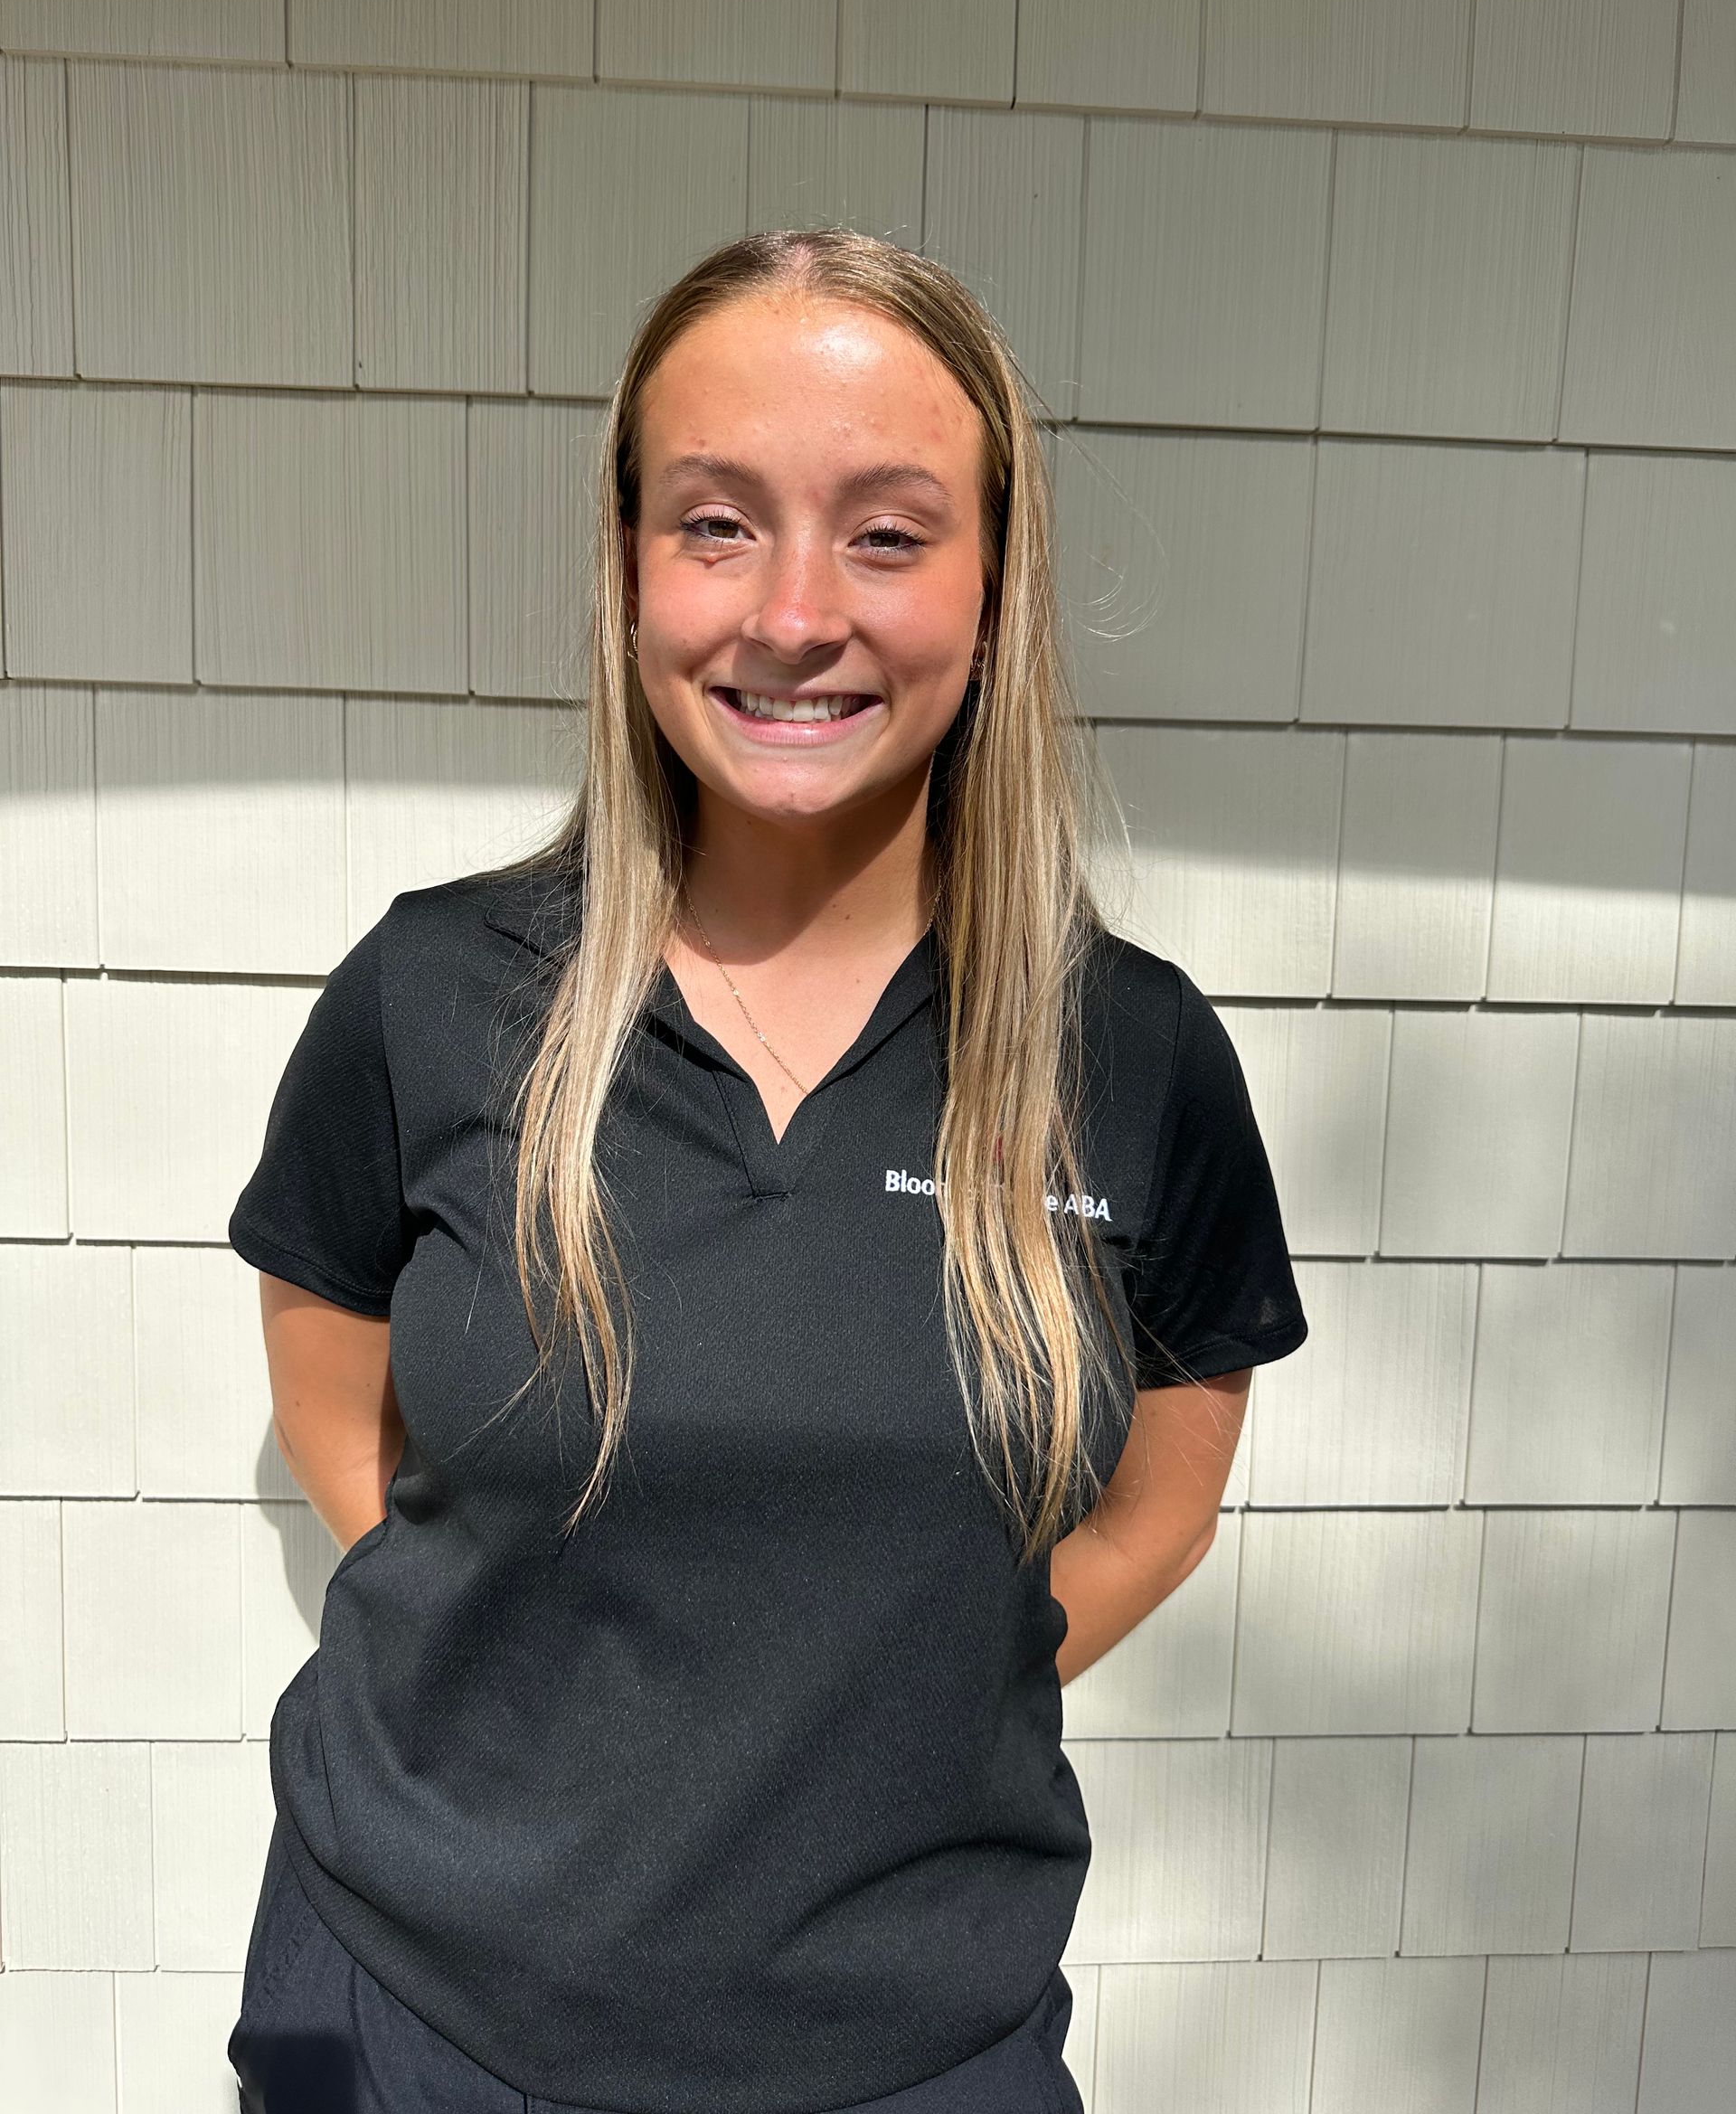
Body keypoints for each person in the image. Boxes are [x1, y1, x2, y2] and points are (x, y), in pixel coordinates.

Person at [223, 228, 1308, 2114]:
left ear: (996, 581)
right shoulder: (439, 993)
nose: (794, 612)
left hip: (911, 2044)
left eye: (888, 532)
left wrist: (908, 1665)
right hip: (410, 2017)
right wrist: (492, 1638)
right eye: (715, 522)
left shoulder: (1131, 1061)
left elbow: (1152, 1505)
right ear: (629, 565)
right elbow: (326, 1352)